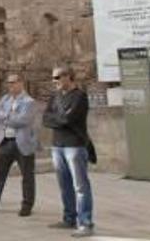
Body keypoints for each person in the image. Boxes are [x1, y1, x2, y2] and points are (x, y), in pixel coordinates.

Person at [43, 65, 95, 238]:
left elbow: (68, 119)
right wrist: (59, 118)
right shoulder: (55, 96)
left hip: (75, 146)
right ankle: (69, 218)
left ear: (68, 77)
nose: (54, 81)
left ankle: (85, 222)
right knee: (64, 185)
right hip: (57, 145)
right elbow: (45, 118)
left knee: (80, 186)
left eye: (57, 77)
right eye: (53, 78)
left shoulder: (80, 97)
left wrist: (57, 118)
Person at [0, 73, 38, 217]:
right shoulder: (5, 99)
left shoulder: (29, 102)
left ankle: (27, 205)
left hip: (22, 143)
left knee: (27, 176)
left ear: (21, 83)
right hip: (5, 142)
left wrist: (4, 117)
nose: (10, 85)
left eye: (13, 82)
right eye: (8, 83)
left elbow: (23, 121)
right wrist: (8, 116)